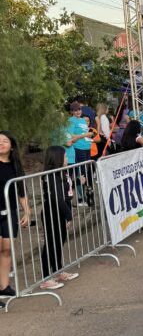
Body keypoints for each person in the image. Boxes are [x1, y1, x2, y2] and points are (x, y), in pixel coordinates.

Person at [39, 146, 79, 290]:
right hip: (52, 213)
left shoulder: (62, 173)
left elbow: (66, 192)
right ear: (57, 158)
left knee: (59, 242)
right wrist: (68, 215)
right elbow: (57, 197)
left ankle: (58, 271)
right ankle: (45, 279)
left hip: (61, 211)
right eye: (65, 156)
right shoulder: (50, 176)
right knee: (51, 244)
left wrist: (78, 181)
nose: (67, 158)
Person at [0, 131, 30, 300]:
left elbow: (21, 191)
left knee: (6, 250)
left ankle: (4, 287)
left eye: (5, 141)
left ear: (12, 146)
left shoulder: (15, 166)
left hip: (10, 213)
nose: (1, 143)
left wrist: (27, 211)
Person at [68, 101, 95, 206]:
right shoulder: (71, 120)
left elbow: (88, 134)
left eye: (79, 109)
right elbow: (71, 135)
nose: (78, 112)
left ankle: (88, 197)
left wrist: (87, 135)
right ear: (71, 112)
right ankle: (80, 199)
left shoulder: (83, 120)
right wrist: (84, 135)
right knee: (80, 174)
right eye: (75, 110)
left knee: (87, 174)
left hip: (87, 148)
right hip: (78, 149)